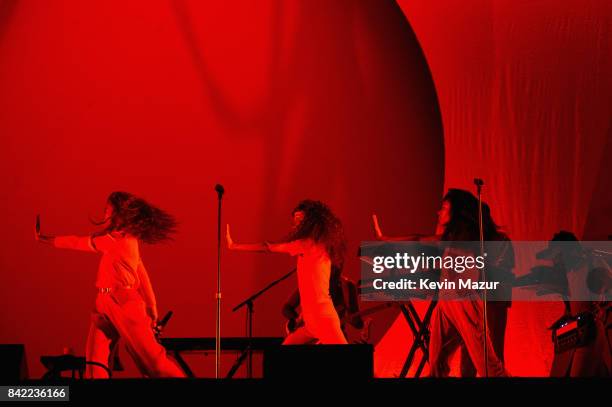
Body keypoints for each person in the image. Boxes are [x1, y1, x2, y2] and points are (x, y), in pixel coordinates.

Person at [35, 191, 186, 378]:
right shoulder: (125, 239)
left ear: (117, 213)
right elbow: (141, 272)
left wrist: (47, 240)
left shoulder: (118, 239)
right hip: (103, 302)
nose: (104, 213)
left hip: (123, 301)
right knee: (94, 361)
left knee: (152, 362)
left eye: (107, 209)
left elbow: (78, 242)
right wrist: (152, 307)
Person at [373, 189, 513, 377]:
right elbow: (419, 239)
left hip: (464, 303)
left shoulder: (466, 235)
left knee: (488, 366)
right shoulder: (451, 236)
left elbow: (422, 241)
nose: (439, 212)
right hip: (447, 304)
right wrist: (386, 240)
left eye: (444, 208)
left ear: (456, 211)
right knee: (437, 362)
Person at [227, 199, 348, 345]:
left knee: (350, 364)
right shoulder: (315, 245)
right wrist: (302, 316)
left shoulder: (307, 244)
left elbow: (268, 247)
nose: (296, 223)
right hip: (311, 321)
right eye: (295, 219)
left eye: (300, 219)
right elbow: (312, 286)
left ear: (311, 222)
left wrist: (235, 246)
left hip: (323, 318)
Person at [539, 231, 611, 377]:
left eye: (557, 255)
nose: (555, 260)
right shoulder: (567, 274)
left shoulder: (591, 263)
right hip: (576, 333)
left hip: (590, 331)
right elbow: (573, 307)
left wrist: (600, 307)